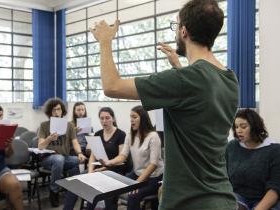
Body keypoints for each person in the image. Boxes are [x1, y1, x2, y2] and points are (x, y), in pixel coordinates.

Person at [89, 0, 239, 209]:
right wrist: (178, 66)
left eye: (175, 25)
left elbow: (112, 86)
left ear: (184, 31)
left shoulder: (186, 80)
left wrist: (105, 41)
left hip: (188, 202)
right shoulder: (229, 78)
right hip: (220, 198)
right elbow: (196, 103)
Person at [101, 105, 164, 210]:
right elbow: (123, 155)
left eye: (134, 117)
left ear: (143, 118)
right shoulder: (130, 135)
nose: (131, 120)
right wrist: (109, 162)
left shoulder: (153, 136)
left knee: (133, 196)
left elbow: (153, 164)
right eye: (130, 117)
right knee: (111, 189)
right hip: (137, 174)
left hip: (154, 177)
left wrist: (137, 183)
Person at [226, 109, 280, 210]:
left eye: (243, 126)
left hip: (264, 199)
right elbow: (223, 176)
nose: (238, 130)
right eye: (236, 127)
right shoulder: (232, 147)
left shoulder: (274, 150)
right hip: (238, 197)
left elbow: (276, 187)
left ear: (255, 127)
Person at [37, 97, 86, 207]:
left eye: (58, 109)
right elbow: (40, 146)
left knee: (77, 160)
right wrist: (49, 139)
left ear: (62, 111)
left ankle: (72, 191)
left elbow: (75, 142)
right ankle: (54, 190)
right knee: (59, 159)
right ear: (49, 112)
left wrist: (79, 153)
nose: (56, 112)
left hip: (65, 157)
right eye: (53, 110)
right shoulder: (44, 125)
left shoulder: (69, 125)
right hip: (48, 158)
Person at [87, 107, 127, 210]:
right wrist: (90, 173)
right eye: (102, 118)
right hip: (98, 169)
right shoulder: (98, 134)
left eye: (107, 118)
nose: (104, 121)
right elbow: (92, 156)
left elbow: (121, 158)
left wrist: (105, 167)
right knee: (83, 187)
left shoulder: (121, 134)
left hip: (115, 170)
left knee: (108, 193)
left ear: (113, 119)